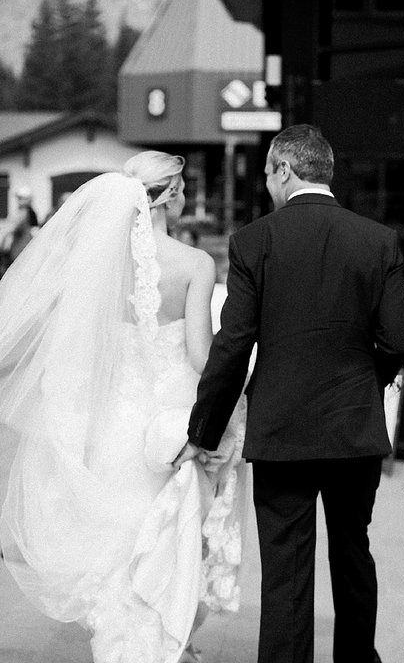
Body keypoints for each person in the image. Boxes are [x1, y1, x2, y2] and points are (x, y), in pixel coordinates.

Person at [0, 152, 248, 663]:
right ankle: (166, 640)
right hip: (177, 425)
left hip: (117, 421)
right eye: (182, 190)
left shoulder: (102, 265)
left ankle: (123, 646)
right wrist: (244, 366)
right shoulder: (194, 264)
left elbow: (85, 350)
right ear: (171, 195)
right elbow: (203, 358)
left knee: (120, 542)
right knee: (173, 543)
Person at [183, 124, 404, 663]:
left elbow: (233, 345)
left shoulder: (253, 242)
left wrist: (204, 431)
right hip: (354, 429)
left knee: (286, 568)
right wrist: (367, 381)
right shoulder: (378, 239)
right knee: (354, 553)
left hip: (281, 431)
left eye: (267, 172)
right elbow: (398, 339)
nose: (267, 184)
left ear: (284, 169)